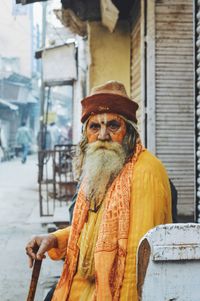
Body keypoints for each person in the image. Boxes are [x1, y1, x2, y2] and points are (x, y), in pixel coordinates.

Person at [25, 81, 172, 301]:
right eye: (95, 127)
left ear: (129, 132)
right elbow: (91, 230)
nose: (103, 135)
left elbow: (135, 262)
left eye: (113, 125)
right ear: (86, 134)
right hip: (83, 286)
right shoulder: (99, 169)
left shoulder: (145, 172)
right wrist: (54, 239)